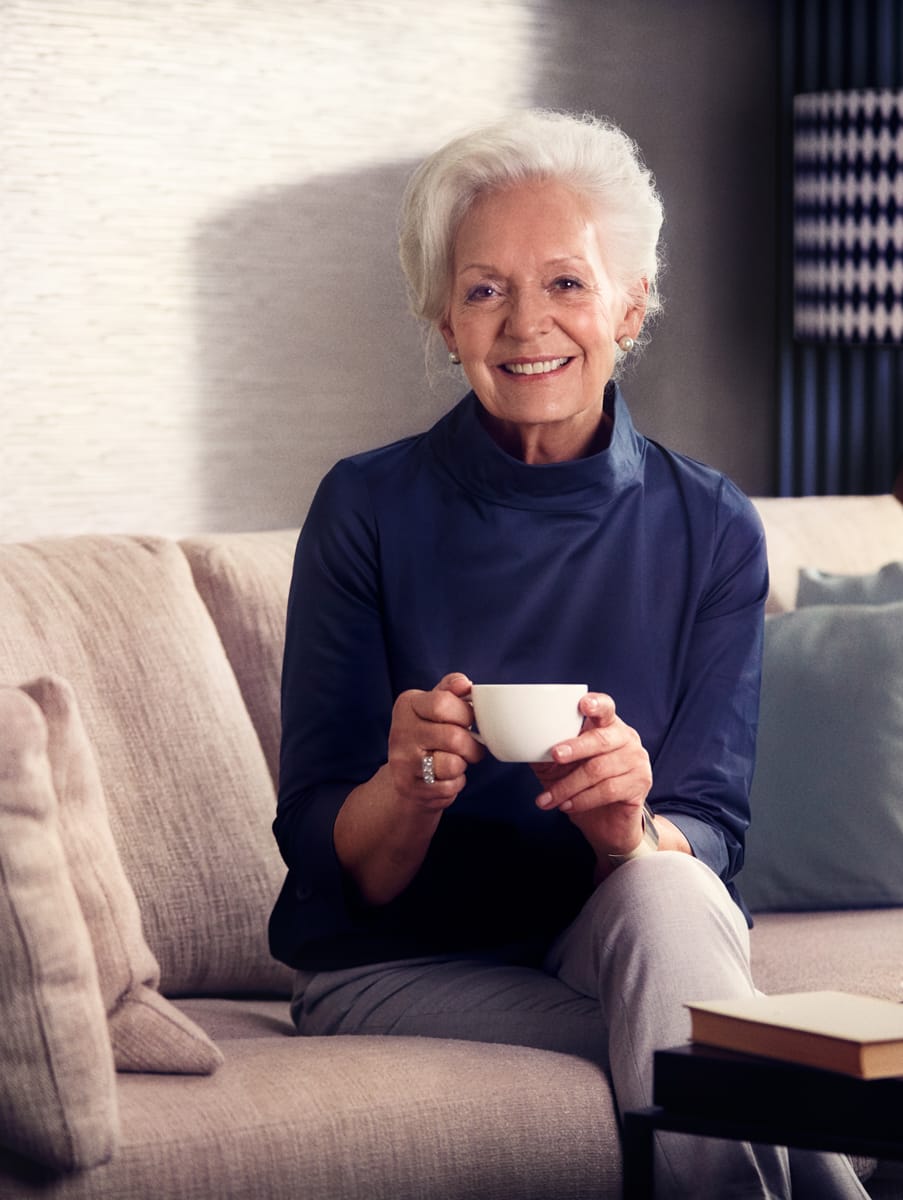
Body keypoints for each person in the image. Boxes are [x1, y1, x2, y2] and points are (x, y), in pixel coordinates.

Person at [270, 110, 868, 1199]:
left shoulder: (712, 524)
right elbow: (326, 858)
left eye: (567, 284)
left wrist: (625, 831)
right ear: (443, 321)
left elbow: (711, 834)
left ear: (630, 306)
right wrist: (405, 788)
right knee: (713, 1040)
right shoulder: (365, 508)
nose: (525, 324)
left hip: (620, 934)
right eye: (485, 289)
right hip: (401, 971)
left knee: (668, 898)